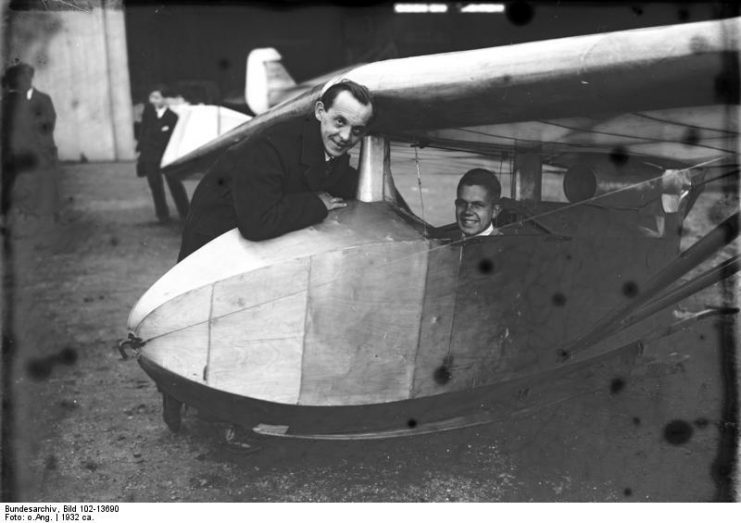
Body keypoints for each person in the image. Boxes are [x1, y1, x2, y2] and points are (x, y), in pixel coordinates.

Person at [178, 79, 374, 261]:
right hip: (212, 241)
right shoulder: (269, 147)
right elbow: (257, 223)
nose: (346, 136)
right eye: (340, 121)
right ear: (320, 111)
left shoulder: (324, 145)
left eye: (357, 129)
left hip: (244, 238)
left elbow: (346, 180)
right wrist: (317, 204)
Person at [1, 62, 58, 231]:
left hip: (40, 151)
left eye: (26, 76)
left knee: (43, 185)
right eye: (19, 77)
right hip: (12, 153)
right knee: (10, 185)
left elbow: (49, 123)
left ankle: (48, 219)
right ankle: (8, 219)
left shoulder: (43, 99)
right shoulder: (6, 102)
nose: (24, 80)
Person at [136, 85, 189, 224]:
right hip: (150, 154)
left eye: (157, 97)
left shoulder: (174, 115)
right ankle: (162, 215)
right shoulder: (148, 111)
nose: (153, 100)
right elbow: (143, 131)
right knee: (155, 184)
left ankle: (185, 212)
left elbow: (177, 137)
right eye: (151, 97)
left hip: (168, 155)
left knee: (174, 183)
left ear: (165, 99)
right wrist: (141, 150)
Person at [455, 168, 504, 238]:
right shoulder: (445, 244)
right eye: (462, 204)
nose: (468, 212)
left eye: (477, 205)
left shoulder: (507, 246)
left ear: (495, 211)